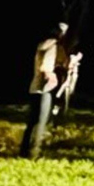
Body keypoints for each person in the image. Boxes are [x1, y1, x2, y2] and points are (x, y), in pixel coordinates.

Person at [20, 23, 67, 158]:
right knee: (42, 121)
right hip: (45, 89)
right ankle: (34, 152)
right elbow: (46, 67)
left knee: (32, 121)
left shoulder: (42, 45)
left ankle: (23, 151)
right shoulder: (53, 47)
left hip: (34, 87)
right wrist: (53, 78)